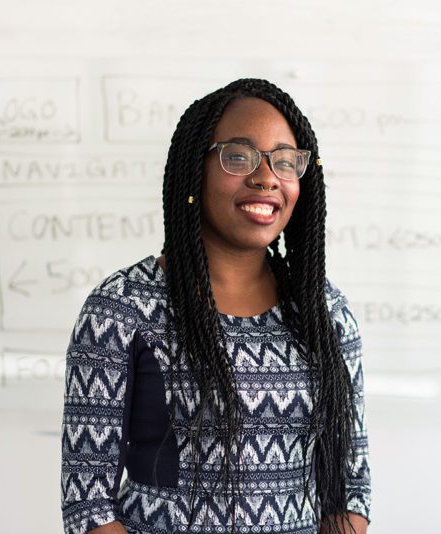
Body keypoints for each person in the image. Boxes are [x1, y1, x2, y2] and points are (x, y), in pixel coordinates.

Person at [60, 78, 371, 534]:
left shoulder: (325, 312)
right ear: (195, 170)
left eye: (285, 161)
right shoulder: (122, 309)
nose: (266, 177)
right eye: (238, 156)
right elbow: (88, 504)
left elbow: (349, 489)